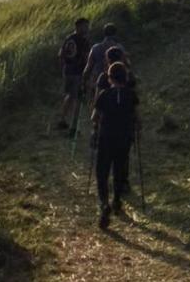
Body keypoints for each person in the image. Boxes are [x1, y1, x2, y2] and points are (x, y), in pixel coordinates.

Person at [91, 62, 139, 229]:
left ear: (110, 78)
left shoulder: (104, 95)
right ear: (124, 78)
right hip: (124, 138)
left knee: (102, 172)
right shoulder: (131, 95)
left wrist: (96, 127)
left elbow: (94, 117)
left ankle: (104, 204)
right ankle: (117, 200)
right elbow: (136, 117)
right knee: (119, 169)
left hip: (106, 138)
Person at [57, 17, 91, 131]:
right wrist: (87, 73)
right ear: (78, 27)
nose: (87, 29)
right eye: (85, 26)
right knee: (78, 99)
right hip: (78, 72)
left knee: (69, 96)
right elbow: (87, 58)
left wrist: (63, 70)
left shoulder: (68, 38)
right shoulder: (84, 41)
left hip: (68, 71)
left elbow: (61, 55)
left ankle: (63, 119)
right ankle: (74, 126)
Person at [82, 23, 125, 100]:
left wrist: (84, 81)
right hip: (114, 80)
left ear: (104, 33)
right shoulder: (119, 48)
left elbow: (88, 67)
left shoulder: (95, 48)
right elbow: (124, 64)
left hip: (97, 79)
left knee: (96, 102)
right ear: (115, 33)